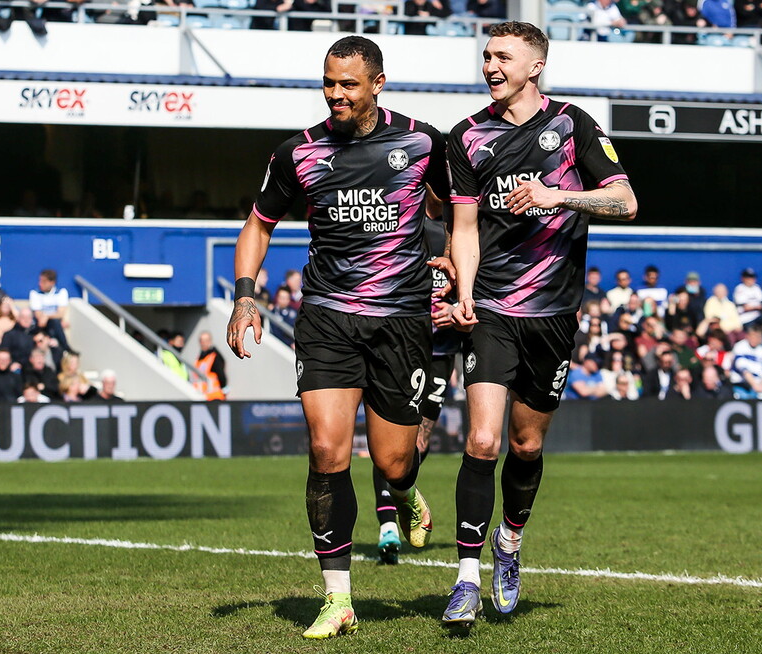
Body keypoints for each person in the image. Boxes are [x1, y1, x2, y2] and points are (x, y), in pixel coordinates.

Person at [226, 35, 450, 640]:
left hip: (401, 321)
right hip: (327, 317)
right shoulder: (297, 152)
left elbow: (454, 210)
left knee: (393, 460)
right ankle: (338, 598)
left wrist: (456, 262)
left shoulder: (423, 142)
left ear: (378, 83)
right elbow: (258, 226)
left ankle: (405, 491)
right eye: (328, 82)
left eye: (348, 84)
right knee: (327, 450)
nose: (335, 94)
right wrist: (245, 297)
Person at [447, 21, 636, 627]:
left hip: (553, 314)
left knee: (526, 444)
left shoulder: (573, 124)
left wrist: (560, 197)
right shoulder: (466, 136)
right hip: (492, 309)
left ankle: (509, 542)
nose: (490, 66)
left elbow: (626, 201)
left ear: (535, 66)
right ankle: (466, 578)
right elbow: (465, 228)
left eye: (503, 56)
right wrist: (464, 294)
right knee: (482, 441)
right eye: (486, 56)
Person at [372, 216, 463, 565]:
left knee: (419, 442)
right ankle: (387, 526)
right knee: (392, 437)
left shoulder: (468, 228)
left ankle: (402, 498)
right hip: (403, 347)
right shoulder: (404, 225)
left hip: (442, 351)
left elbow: (483, 286)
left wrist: (457, 308)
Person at [730, 326, 762, 399]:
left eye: (757, 337)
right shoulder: (740, 346)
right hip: (741, 384)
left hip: (759, 384)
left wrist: (761, 385)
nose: (755, 339)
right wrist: (754, 385)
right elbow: (743, 369)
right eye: (753, 336)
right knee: (745, 397)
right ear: (747, 336)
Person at [29, 269, 72, 352]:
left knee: (55, 322)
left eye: (44, 281)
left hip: (54, 324)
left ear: (52, 282)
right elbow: (38, 315)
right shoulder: (35, 293)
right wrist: (47, 317)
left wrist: (47, 316)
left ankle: (63, 347)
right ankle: (66, 347)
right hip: (40, 325)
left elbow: (60, 313)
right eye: (40, 280)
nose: (40, 284)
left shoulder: (61, 292)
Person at [193, 331, 228, 401]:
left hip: (214, 397)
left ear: (210, 341)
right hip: (202, 396)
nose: (203, 343)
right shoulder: (199, 358)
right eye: (201, 341)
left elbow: (222, 377)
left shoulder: (214, 357)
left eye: (206, 340)